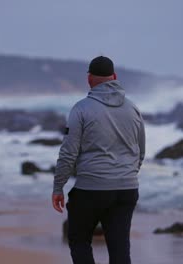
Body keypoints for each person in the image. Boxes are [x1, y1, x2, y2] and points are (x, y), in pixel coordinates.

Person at [52, 56, 146, 264]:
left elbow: (68, 152)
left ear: (89, 79)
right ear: (114, 77)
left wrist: (58, 187)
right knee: (120, 247)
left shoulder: (81, 109)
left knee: (79, 240)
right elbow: (140, 152)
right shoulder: (133, 109)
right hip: (126, 189)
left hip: (91, 190)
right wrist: (124, 175)